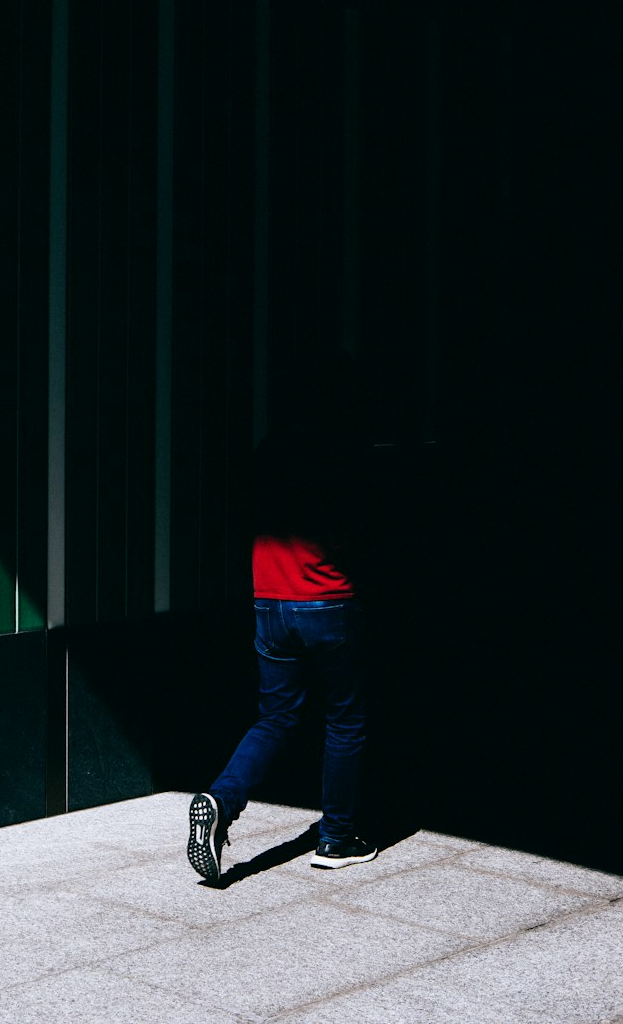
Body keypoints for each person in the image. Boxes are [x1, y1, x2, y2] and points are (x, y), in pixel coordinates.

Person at [187, 347, 377, 883]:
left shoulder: (270, 450)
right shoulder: (347, 451)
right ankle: (336, 839)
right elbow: (362, 529)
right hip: (329, 600)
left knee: (275, 717)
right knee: (345, 721)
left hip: (269, 599)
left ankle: (222, 799)